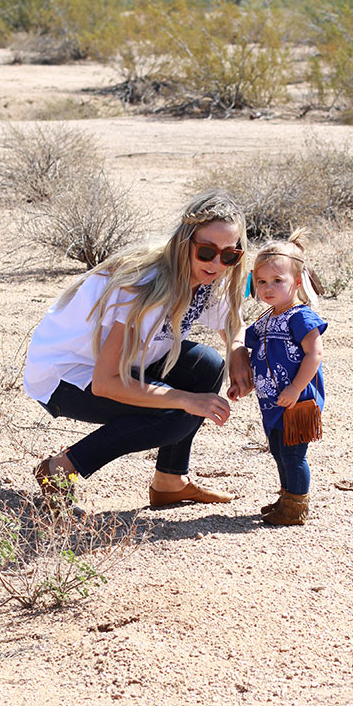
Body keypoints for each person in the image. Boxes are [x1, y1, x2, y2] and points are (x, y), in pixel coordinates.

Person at [24, 190, 253, 508]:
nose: (217, 263)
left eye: (229, 255)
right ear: (184, 243)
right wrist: (183, 398)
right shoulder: (142, 286)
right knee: (175, 411)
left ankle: (170, 482)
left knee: (208, 365)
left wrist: (238, 351)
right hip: (65, 377)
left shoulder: (204, 278)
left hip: (127, 363)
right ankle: (58, 470)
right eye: (206, 251)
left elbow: (232, 323)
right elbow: (107, 382)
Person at [239, 231, 327, 526]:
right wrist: (244, 380)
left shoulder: (300, 317)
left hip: (296, 401)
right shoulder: (265, 319)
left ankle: (296, 506)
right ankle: (287, 496)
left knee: (293, 455)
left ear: (297, 282)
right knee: (278, 450)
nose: (268, 288)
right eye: (262, 282)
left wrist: (295, 387)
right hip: (274, 402)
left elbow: (314, 354)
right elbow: (252, 348)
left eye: (278, 281)